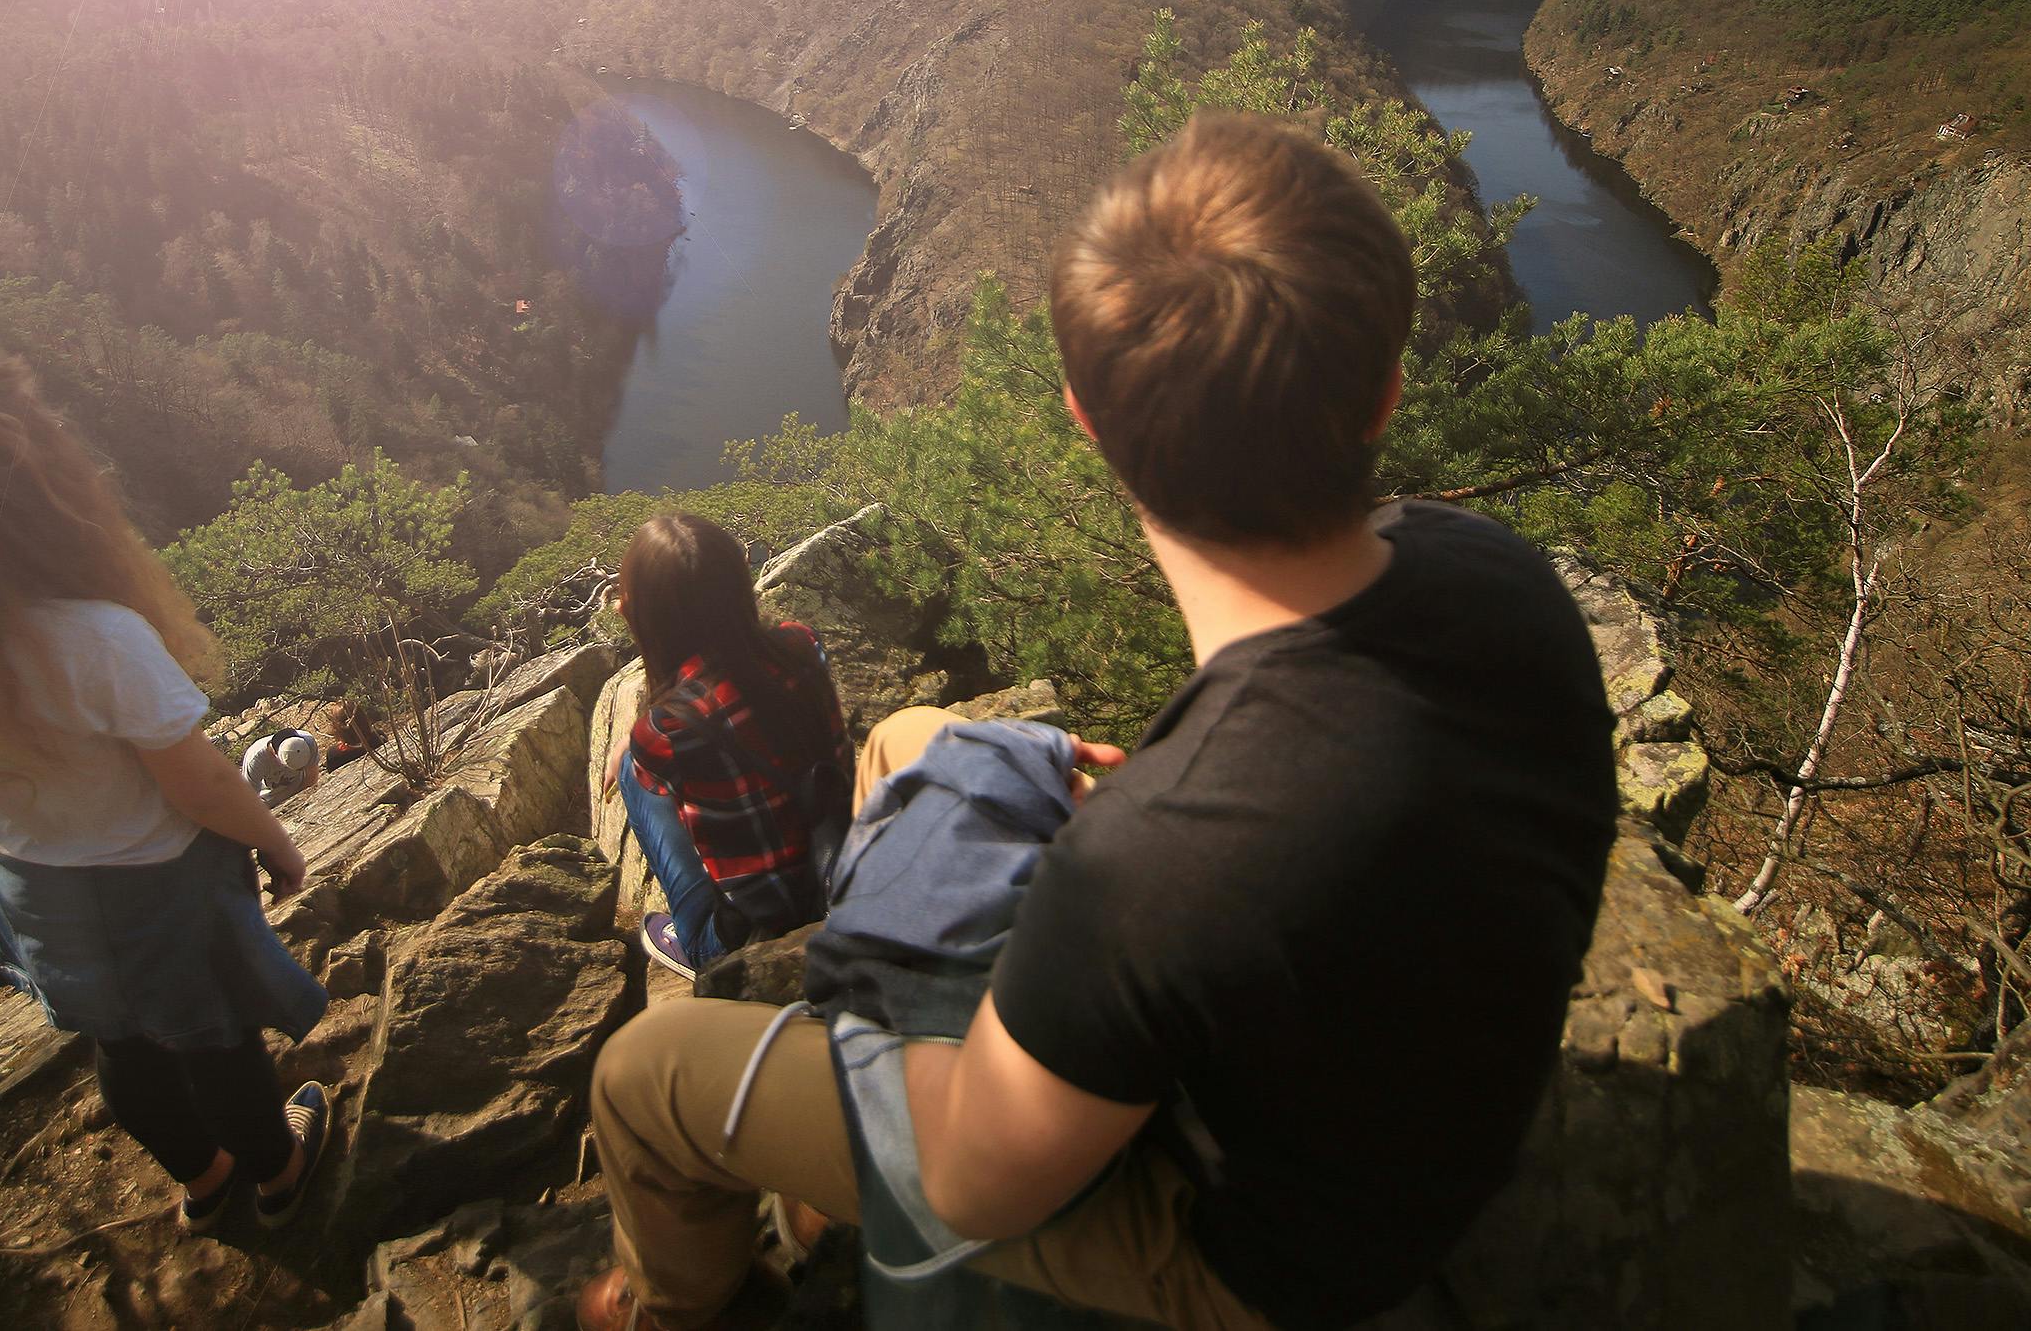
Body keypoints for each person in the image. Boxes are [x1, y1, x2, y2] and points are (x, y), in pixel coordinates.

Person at [578, 114, 1620, 1330]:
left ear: (1087, 422)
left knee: (641, 1076)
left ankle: (690, 1300)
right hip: (1391, 1083)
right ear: (1384, 384)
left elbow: (970, 1174)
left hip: (1263, 1261)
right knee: (910, 737)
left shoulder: (1157, 867)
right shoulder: (1502, 578)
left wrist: (880, 1037)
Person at [0, 345, 337, 1236]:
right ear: (39, 485)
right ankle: (281, 1169)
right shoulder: (93, 638)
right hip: (160, 882)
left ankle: (207, 1178)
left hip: (30, 883)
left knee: (123, 1045)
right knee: (217, 1039)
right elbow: (203, 782)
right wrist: (276, 839)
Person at [599, 513, 851, 980]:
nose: (619, 606)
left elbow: (681, 765)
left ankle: (696, 945)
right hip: (834, 872)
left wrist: (632, 749)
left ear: (651, 615)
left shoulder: (667, 728)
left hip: (752, 927)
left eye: (625, 595)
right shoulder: (801, 644)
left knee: (634, 769)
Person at [241, 727, 322, 808]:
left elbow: (311, 777)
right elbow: (250, 798)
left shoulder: (309, 742)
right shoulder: (255, 761)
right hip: (269, 798)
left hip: (300, 787)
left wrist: (300, 798)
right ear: (276, 757)